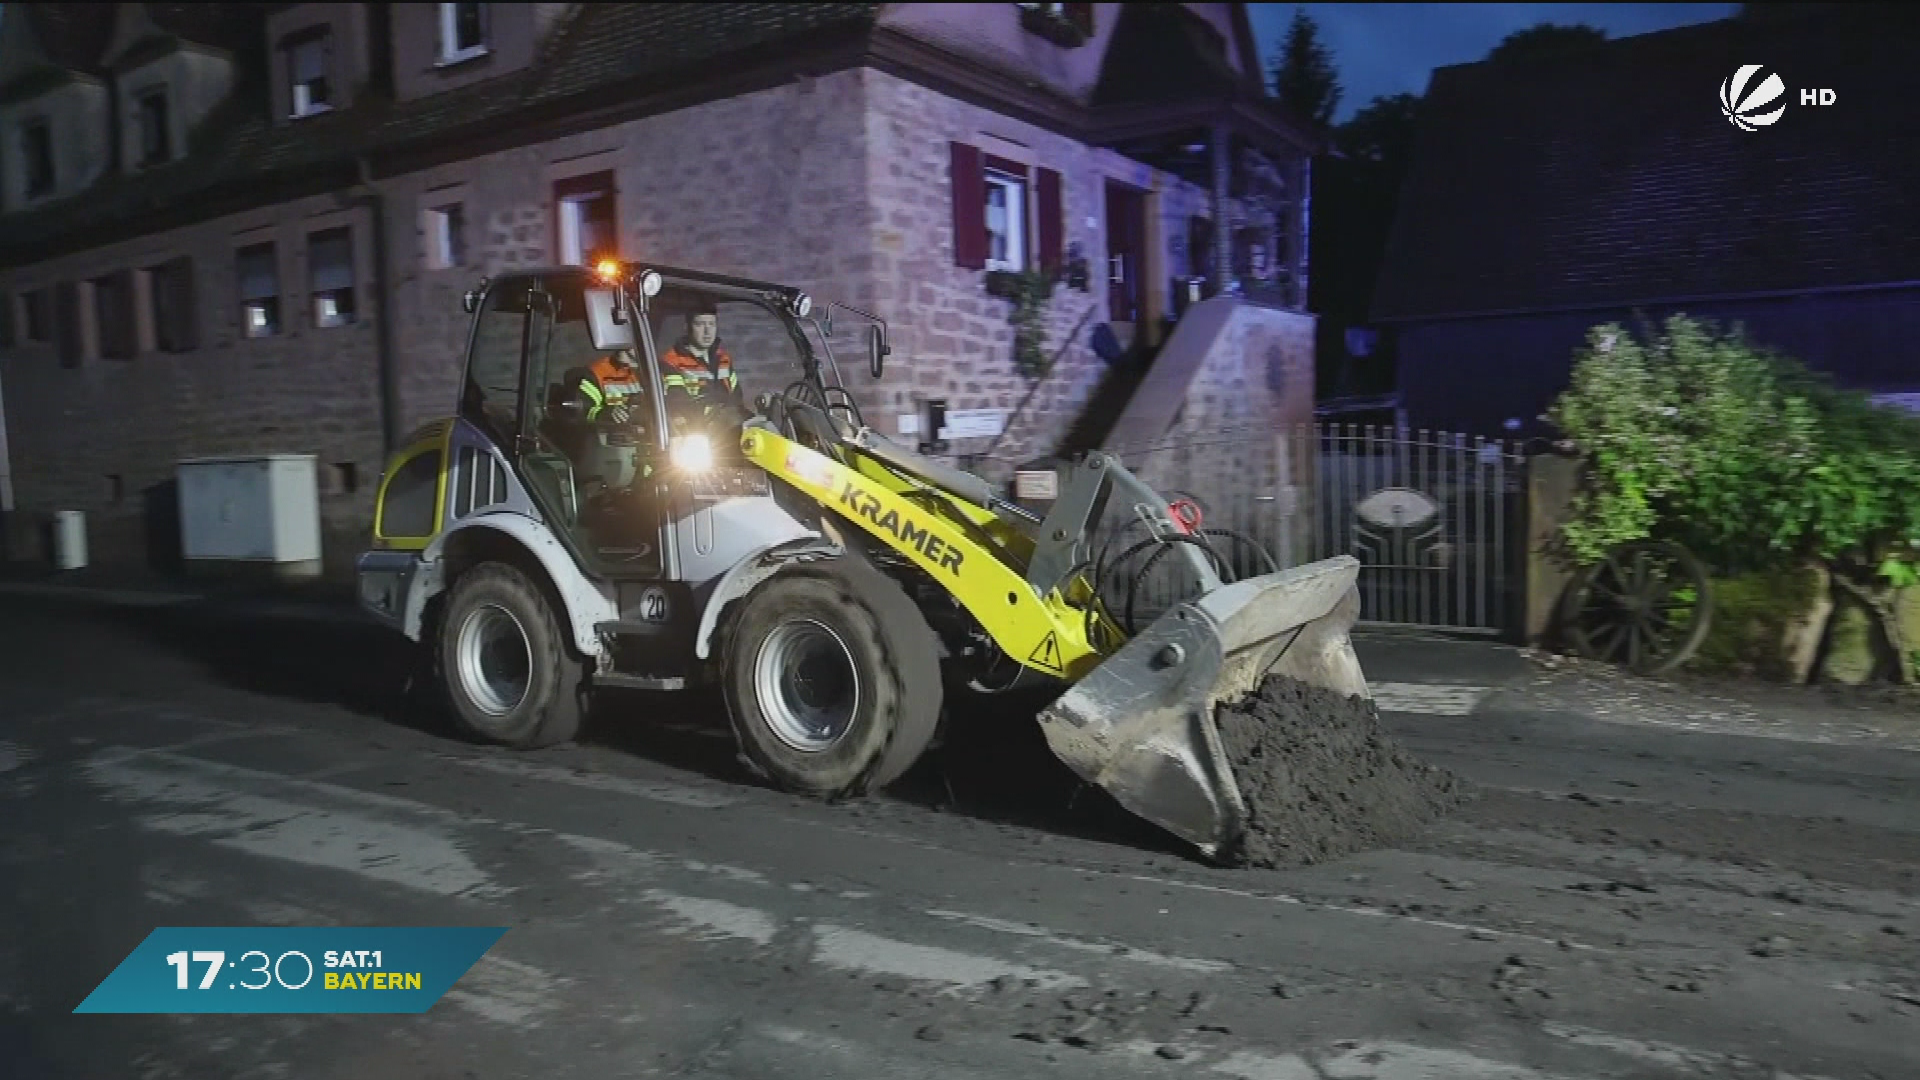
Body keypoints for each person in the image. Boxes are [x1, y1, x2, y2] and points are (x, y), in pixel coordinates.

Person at [660, 304, 746, 422]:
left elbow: (736, 397)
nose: (707, 331)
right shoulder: (672, 361)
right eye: (700, 324)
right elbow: (677, 401)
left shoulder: (723, 359)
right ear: (687, 327)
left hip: (728, 425)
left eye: (711, 324)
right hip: (694, 429)